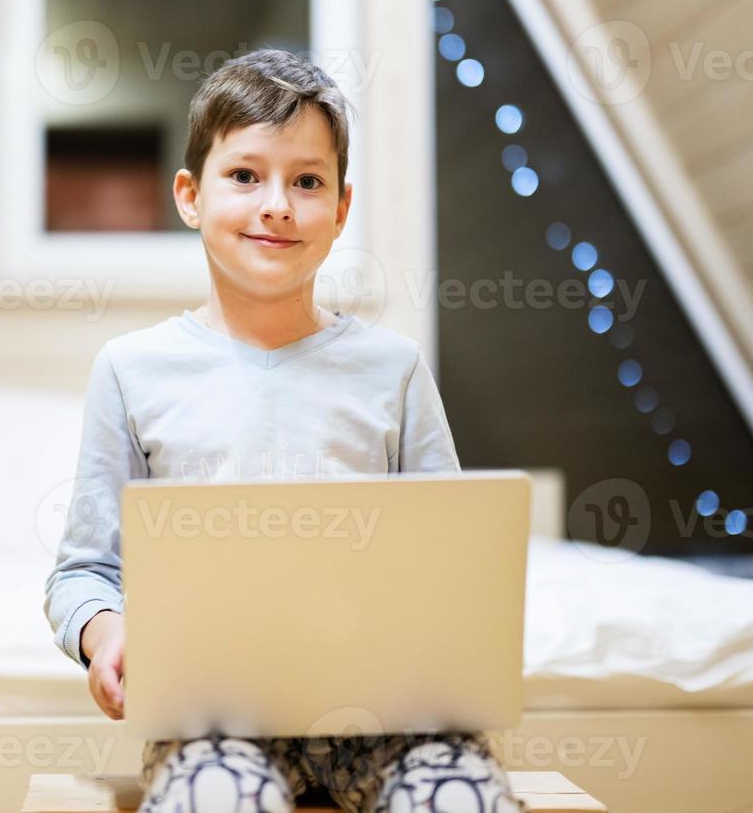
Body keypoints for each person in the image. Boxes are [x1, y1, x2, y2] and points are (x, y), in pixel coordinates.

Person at [42, 49, 526, 812]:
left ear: (341, 208)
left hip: (391, 714)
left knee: (464, 796)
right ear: (190, 195)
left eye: (307, 181)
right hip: (211, 716)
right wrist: (107, 639)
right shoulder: (132, 370)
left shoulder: (394, 371)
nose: (277, 205)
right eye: (245, 176)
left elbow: (454, 567)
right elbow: (83, 575)